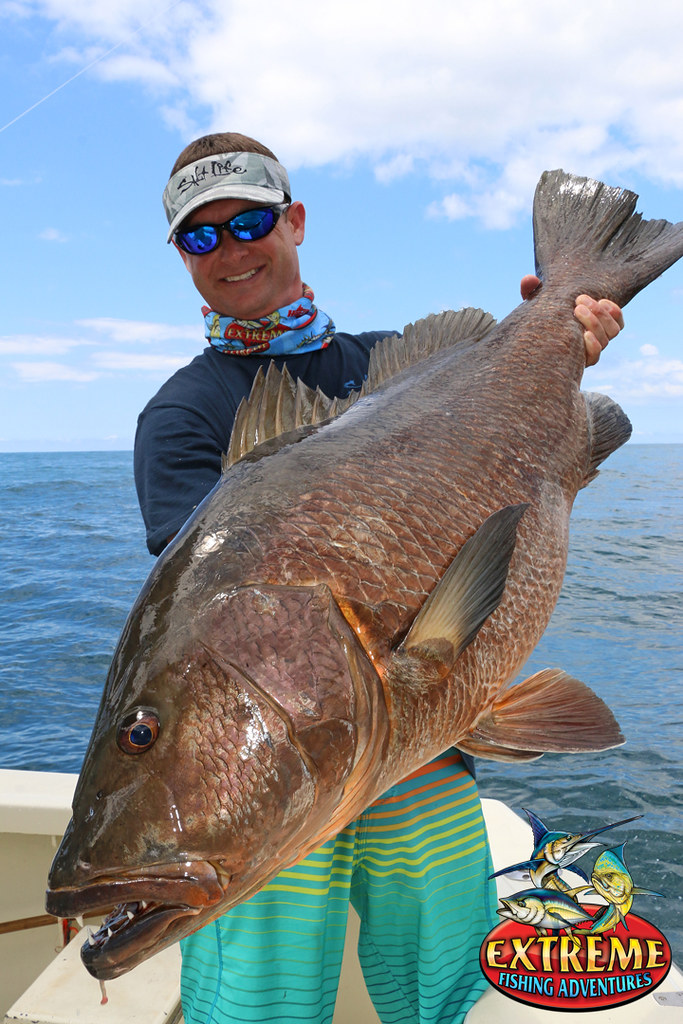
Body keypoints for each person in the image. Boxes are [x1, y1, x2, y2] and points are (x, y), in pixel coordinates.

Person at [134, 132, 623, 1024]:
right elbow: (218, 617)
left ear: (294, 221)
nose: (230, 251)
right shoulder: (180, 415)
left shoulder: (401, 360)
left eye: (247, 222)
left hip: (422, 746)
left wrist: (563, 338)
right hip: (273, 788)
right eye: (199, 237)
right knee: (258, 1007)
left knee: (447, 992)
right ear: (179, 255)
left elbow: (510, 454)